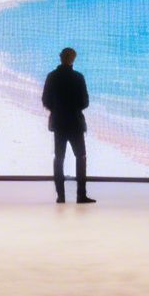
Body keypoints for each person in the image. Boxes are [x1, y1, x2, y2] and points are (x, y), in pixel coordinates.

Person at [42, 47, 93, 204]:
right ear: (73, 59)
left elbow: (45, 100)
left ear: (60, 57)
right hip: (75, 123)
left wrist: (57, 110)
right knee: (81, 157)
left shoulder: (52, 77)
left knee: (59, 158)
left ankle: (61, 196)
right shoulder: (78, 77)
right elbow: (85, 102)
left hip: (58, 122)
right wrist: (73, 108)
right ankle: (81, 195)